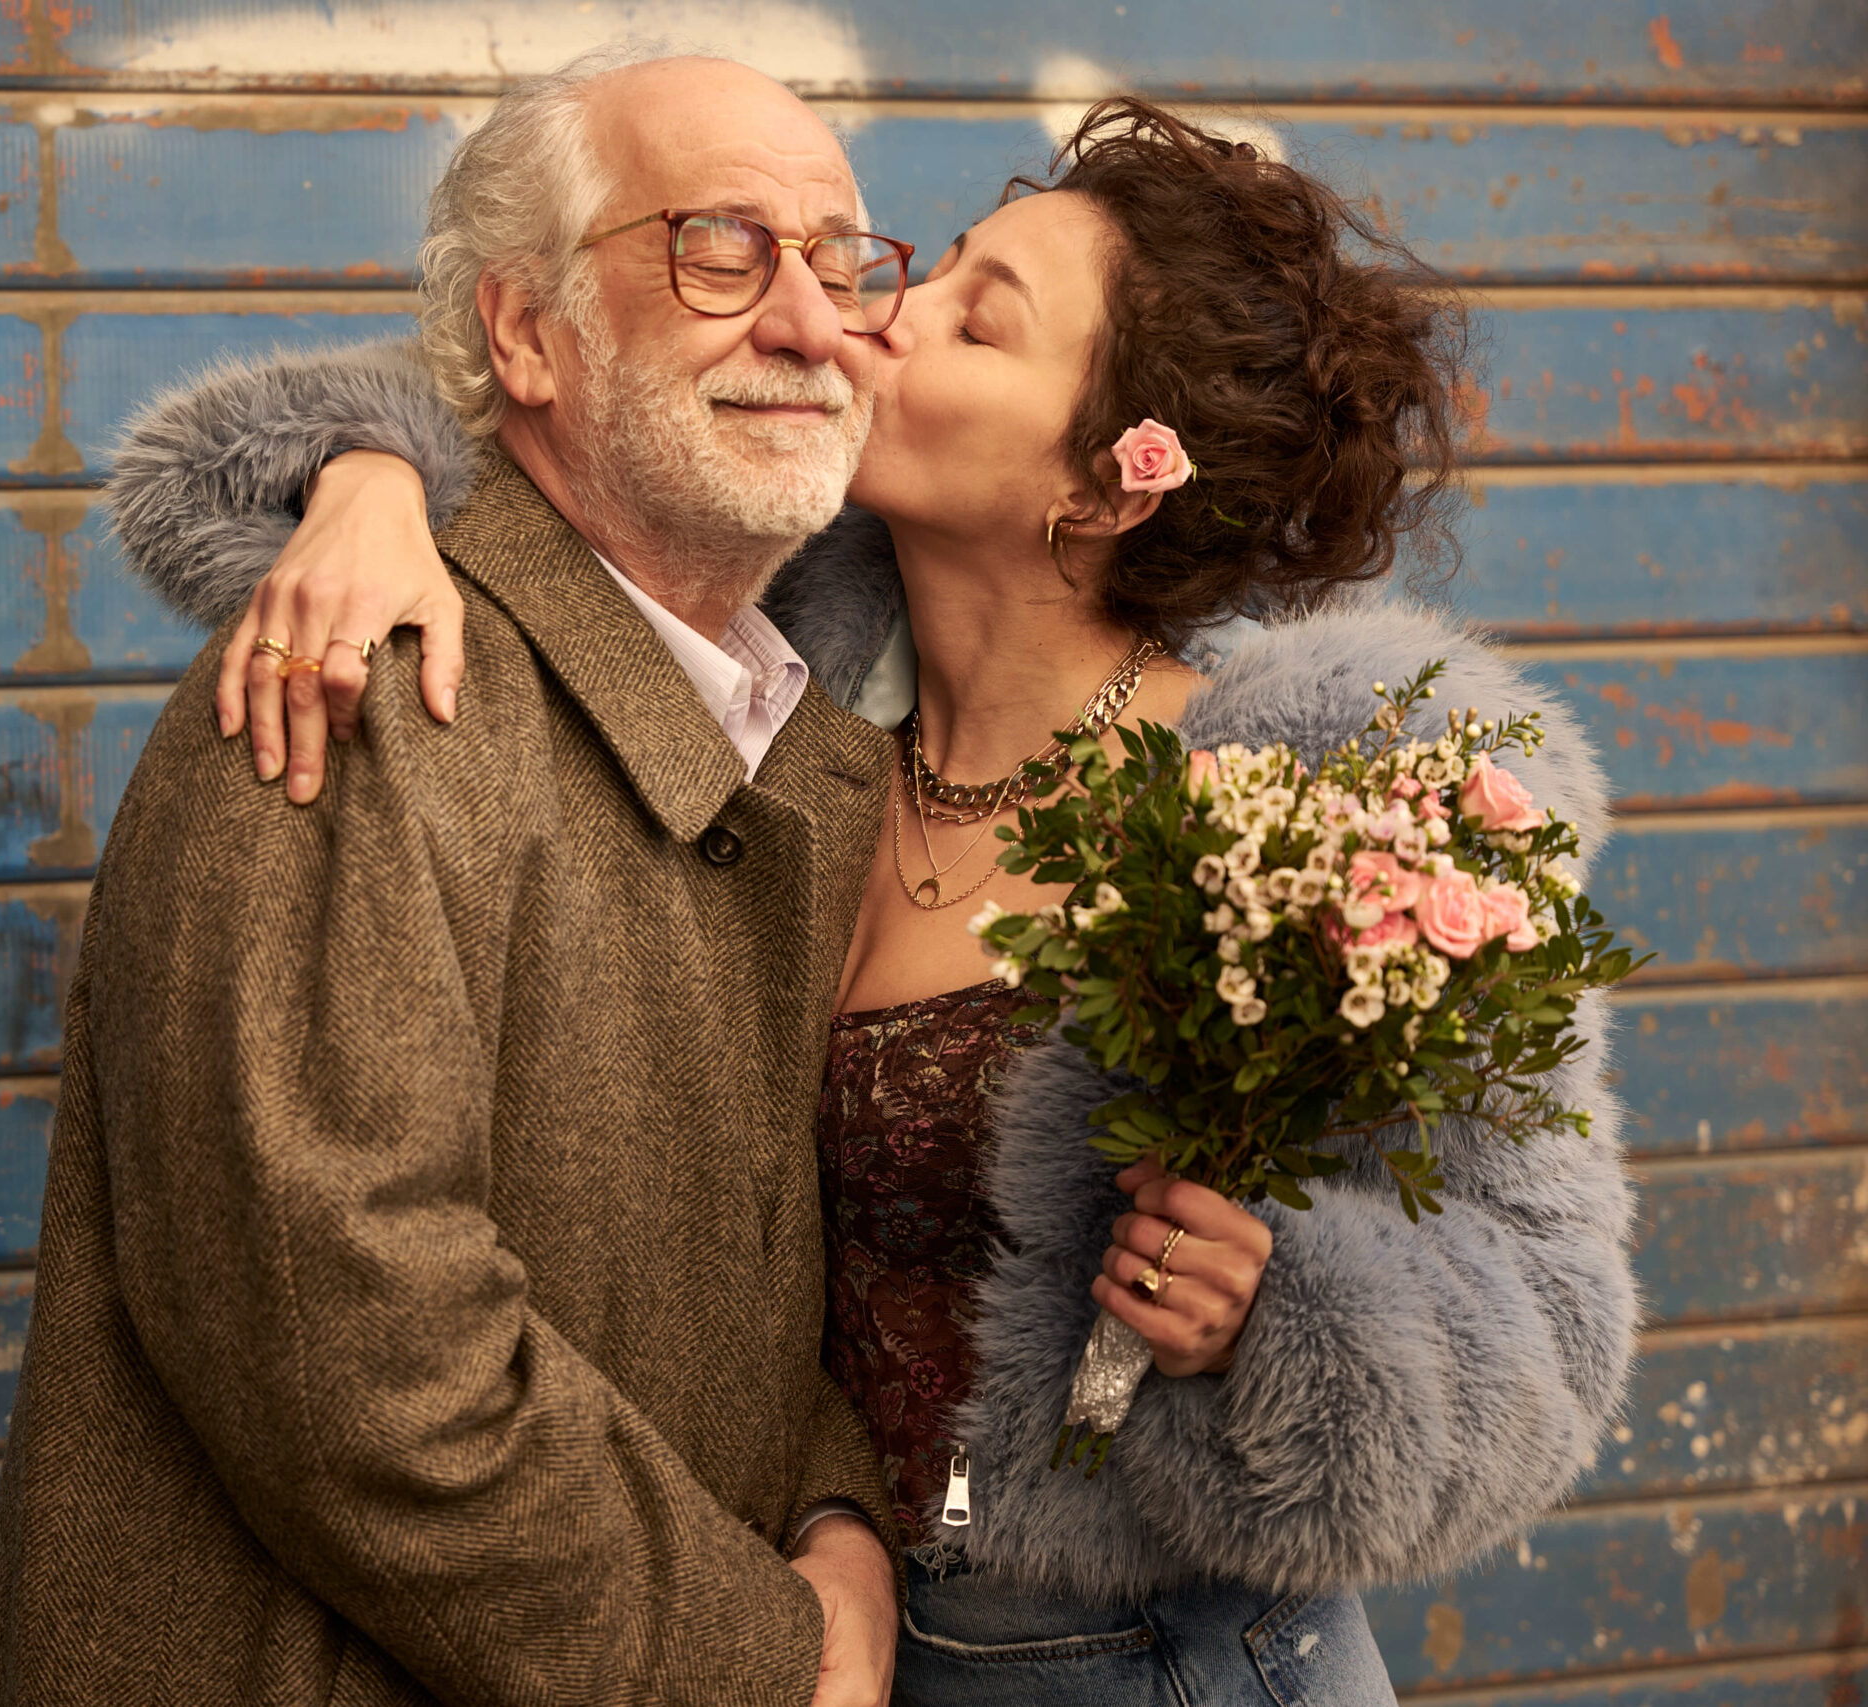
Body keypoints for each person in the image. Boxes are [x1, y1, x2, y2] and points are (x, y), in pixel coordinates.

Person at [106, 93, 1640, 1705]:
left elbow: (1547, 1310)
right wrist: (368, 480)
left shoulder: (1327, 818)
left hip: (1157, 1663)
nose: (872, 318)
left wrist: (1274, 1318)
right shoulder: (786, 710)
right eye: (932, 269)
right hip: (823, 1641)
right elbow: (569, 415)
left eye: (974, 323)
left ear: (1112, 484)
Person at [0, 50, 914, 1707]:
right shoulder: (365, 684)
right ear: (525, 333)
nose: (809, 321)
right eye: (718, 249)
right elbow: (349, 1344)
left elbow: (764, 1265)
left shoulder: (794, 742)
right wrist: (761, 1662)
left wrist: (834, 1514)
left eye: (841, 258)